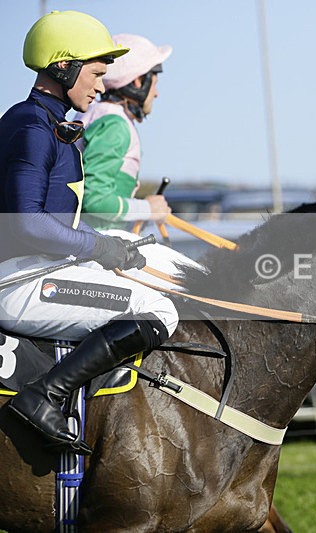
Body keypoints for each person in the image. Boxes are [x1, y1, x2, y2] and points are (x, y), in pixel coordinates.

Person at [0, 11, 178, 455]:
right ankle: (47, 394)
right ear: (64, 67)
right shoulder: (30, 124)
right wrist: (99, 246)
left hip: (38, 271)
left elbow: (60, 222)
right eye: (97, 74)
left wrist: (111, 247)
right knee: (160, 310)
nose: (102, 86)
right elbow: (27, 221)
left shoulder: (47, 121)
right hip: (19, 282)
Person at [75, 33, 200, 285]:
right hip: (99, 247)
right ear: (138, 81)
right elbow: (94, 199)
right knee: (193, 278)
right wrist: (148, 209)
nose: (156, 94)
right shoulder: (114, 125)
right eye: (155, 83)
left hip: (96, 241)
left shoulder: (97, 115)